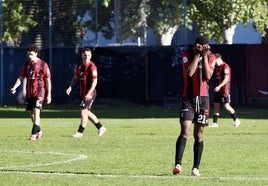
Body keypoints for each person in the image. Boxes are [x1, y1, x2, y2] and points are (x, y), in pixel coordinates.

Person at [173, 36, 216, 176]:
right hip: (188, 99)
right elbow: (190, 73)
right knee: (185, 129)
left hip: (203, 100)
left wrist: (204, 57)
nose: (202, 49)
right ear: (194, 46)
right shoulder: (187, 54)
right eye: (199, 47)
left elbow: (208, 76)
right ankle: (178, 164)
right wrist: (197, 55)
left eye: (204, 47)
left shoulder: (211, 57)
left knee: (199, 133)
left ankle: (195, 167)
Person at [10, 44, 52, 140]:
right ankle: (39, 131)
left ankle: (33, 134)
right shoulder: (26, 65)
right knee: (31, 113)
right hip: (29, 93)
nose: (29, 56)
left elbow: (48, 81)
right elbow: (20, 78)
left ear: (36, 53)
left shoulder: (43, 65)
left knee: (37, 112)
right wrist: (14, 87)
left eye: (31, 54)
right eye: (28, 54)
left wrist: (49, 94)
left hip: (39, 92)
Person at [66, 48, 106, 138]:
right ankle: (101, 127)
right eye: (85, 55)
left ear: (91, 56)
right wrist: (70, 87)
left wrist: (89, 93)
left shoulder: (92, 67)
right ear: (82, 55)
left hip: (90, 93)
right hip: (82, 93)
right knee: (87, 113)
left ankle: (80, 132)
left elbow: (94, 82)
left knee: (83, 111)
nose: (86, 57)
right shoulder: (80, 66)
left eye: (88, 55)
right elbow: (75, 78)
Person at [210, 53, 240, 128]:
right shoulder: (217, 68)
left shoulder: (225, 66)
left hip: (224, 90)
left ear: (219, 59)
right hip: (218, 90)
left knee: (226, 106)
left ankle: (236, 120)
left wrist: (219, 86)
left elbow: (226, 79)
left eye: (215, 60)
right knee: (216, 105)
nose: (214, 62)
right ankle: (215, 123)